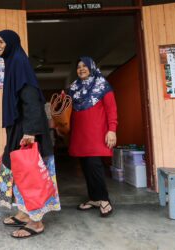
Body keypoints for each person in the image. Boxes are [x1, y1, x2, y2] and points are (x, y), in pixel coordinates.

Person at [0, 30, 60, 239]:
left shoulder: (19, 64)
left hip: (27, 128)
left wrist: (31, 131)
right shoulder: (13, 64)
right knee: (15, 167)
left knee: (29, 173)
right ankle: (24, 213)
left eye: (1, 42)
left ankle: (36, 221)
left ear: (12, 43)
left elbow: (31, 98)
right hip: (19, 127)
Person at [67, 56, 117, 217]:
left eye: (84, 66)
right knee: (86, 167)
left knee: (95, 166)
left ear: (91, 67)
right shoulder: (73, 88)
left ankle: (104, 200)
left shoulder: (102, 85)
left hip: (96, 133)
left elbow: (111, 109)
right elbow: (67, 109)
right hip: (80, 134)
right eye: (78, 66)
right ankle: (94, 198)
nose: (81, 69)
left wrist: (112, 129)